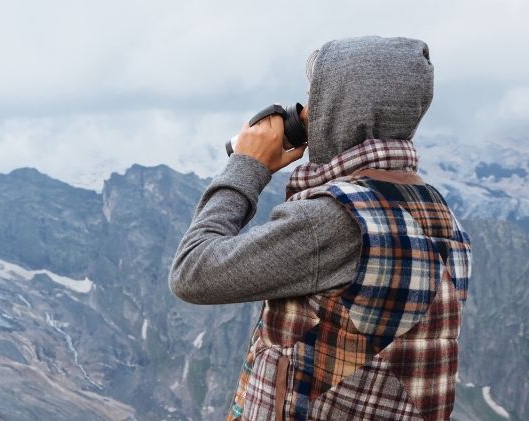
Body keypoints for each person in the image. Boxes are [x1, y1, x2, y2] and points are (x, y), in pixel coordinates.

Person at [169, 36, 472, 421]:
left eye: (316, 98)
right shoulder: (446, 219)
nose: (307, 114)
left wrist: (248, 165)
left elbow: (192, 272)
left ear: (339, 108)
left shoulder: (334, 219)